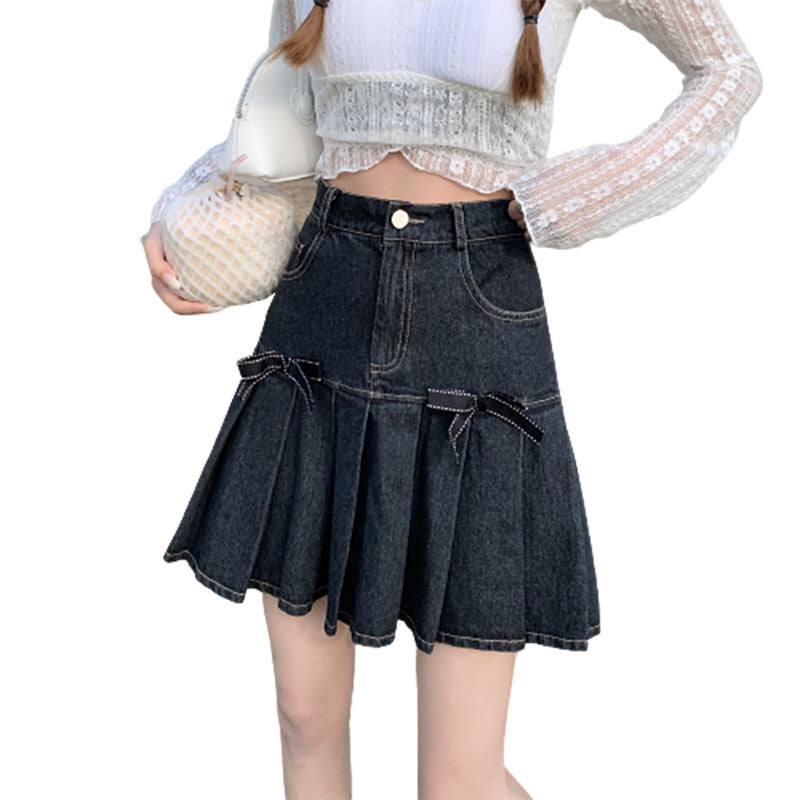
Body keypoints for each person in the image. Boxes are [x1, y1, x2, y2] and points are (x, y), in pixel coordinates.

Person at [141, 1, 762, 797]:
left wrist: (579, 193)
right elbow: (285, 112)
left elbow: (728, 70)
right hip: (323, 298)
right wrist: (183, 212)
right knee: (304, 718)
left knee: (457, 781)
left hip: (477, 312)